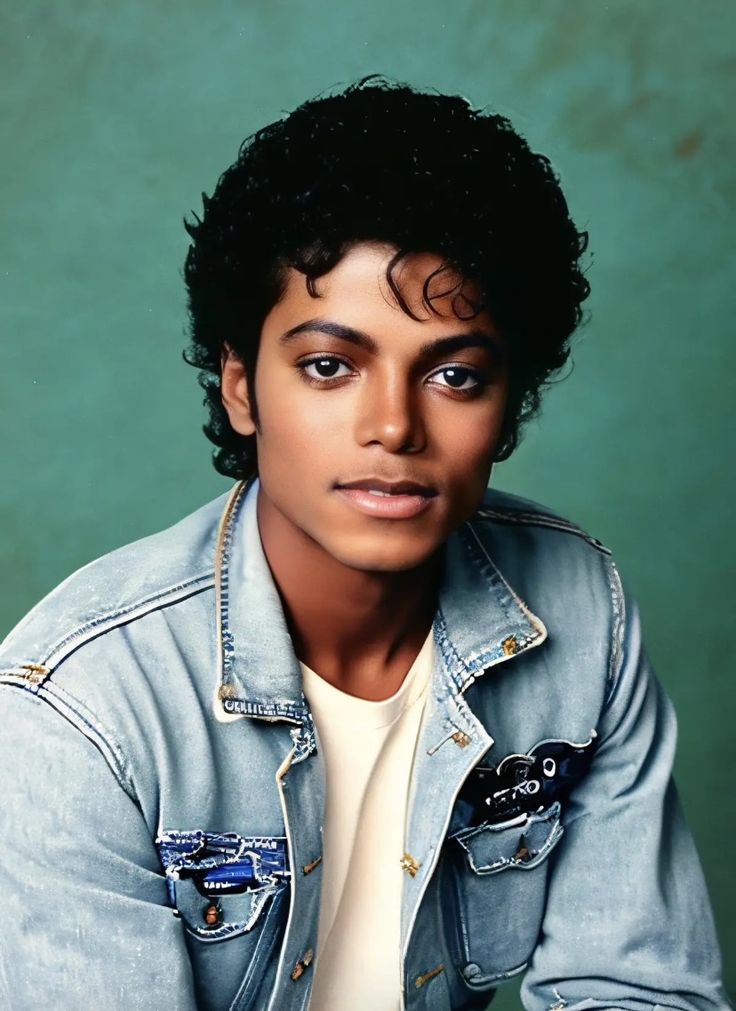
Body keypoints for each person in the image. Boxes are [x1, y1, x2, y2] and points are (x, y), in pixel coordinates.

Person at [0, 77, 728, 1011]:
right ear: (241, 387)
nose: (393, 424)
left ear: (508, 407)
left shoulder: (581, 611)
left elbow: (637, 989)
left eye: (455, 374)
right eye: (330, 366)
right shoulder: (77, 712)